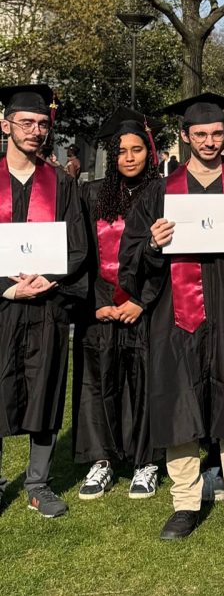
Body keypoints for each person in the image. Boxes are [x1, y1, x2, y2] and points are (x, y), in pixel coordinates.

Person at [119, 93, 224, 544]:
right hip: (176, 314)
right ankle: (185, 502)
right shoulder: (159, 191)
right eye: (201, 135)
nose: (210, 142)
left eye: (216, 133)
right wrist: (152, 245)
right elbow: (130, 259)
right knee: (179, 403)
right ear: (186, 136)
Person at [0, 84, 87, 518]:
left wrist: (47, 277)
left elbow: (78, 246)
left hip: (47, 305)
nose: (35, 131)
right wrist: (7, 286)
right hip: (1, 303)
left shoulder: (62, 184)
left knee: (45, 389)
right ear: (6, 124)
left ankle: (38, 483)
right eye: (26, 123)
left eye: (42, 125)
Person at [73, 109, 165, 502]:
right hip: (100, 305)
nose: (129, 157)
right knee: (99, 381)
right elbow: (81, 255)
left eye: (137, 149)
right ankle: (103, 459)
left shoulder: (162, 192)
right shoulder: (91, 194)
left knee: (146, 381)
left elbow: (170, 255)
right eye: (122, 151)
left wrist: (142, 302)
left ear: (150, 151)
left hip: (145, 306)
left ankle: (147, 462)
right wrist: (95, 305)